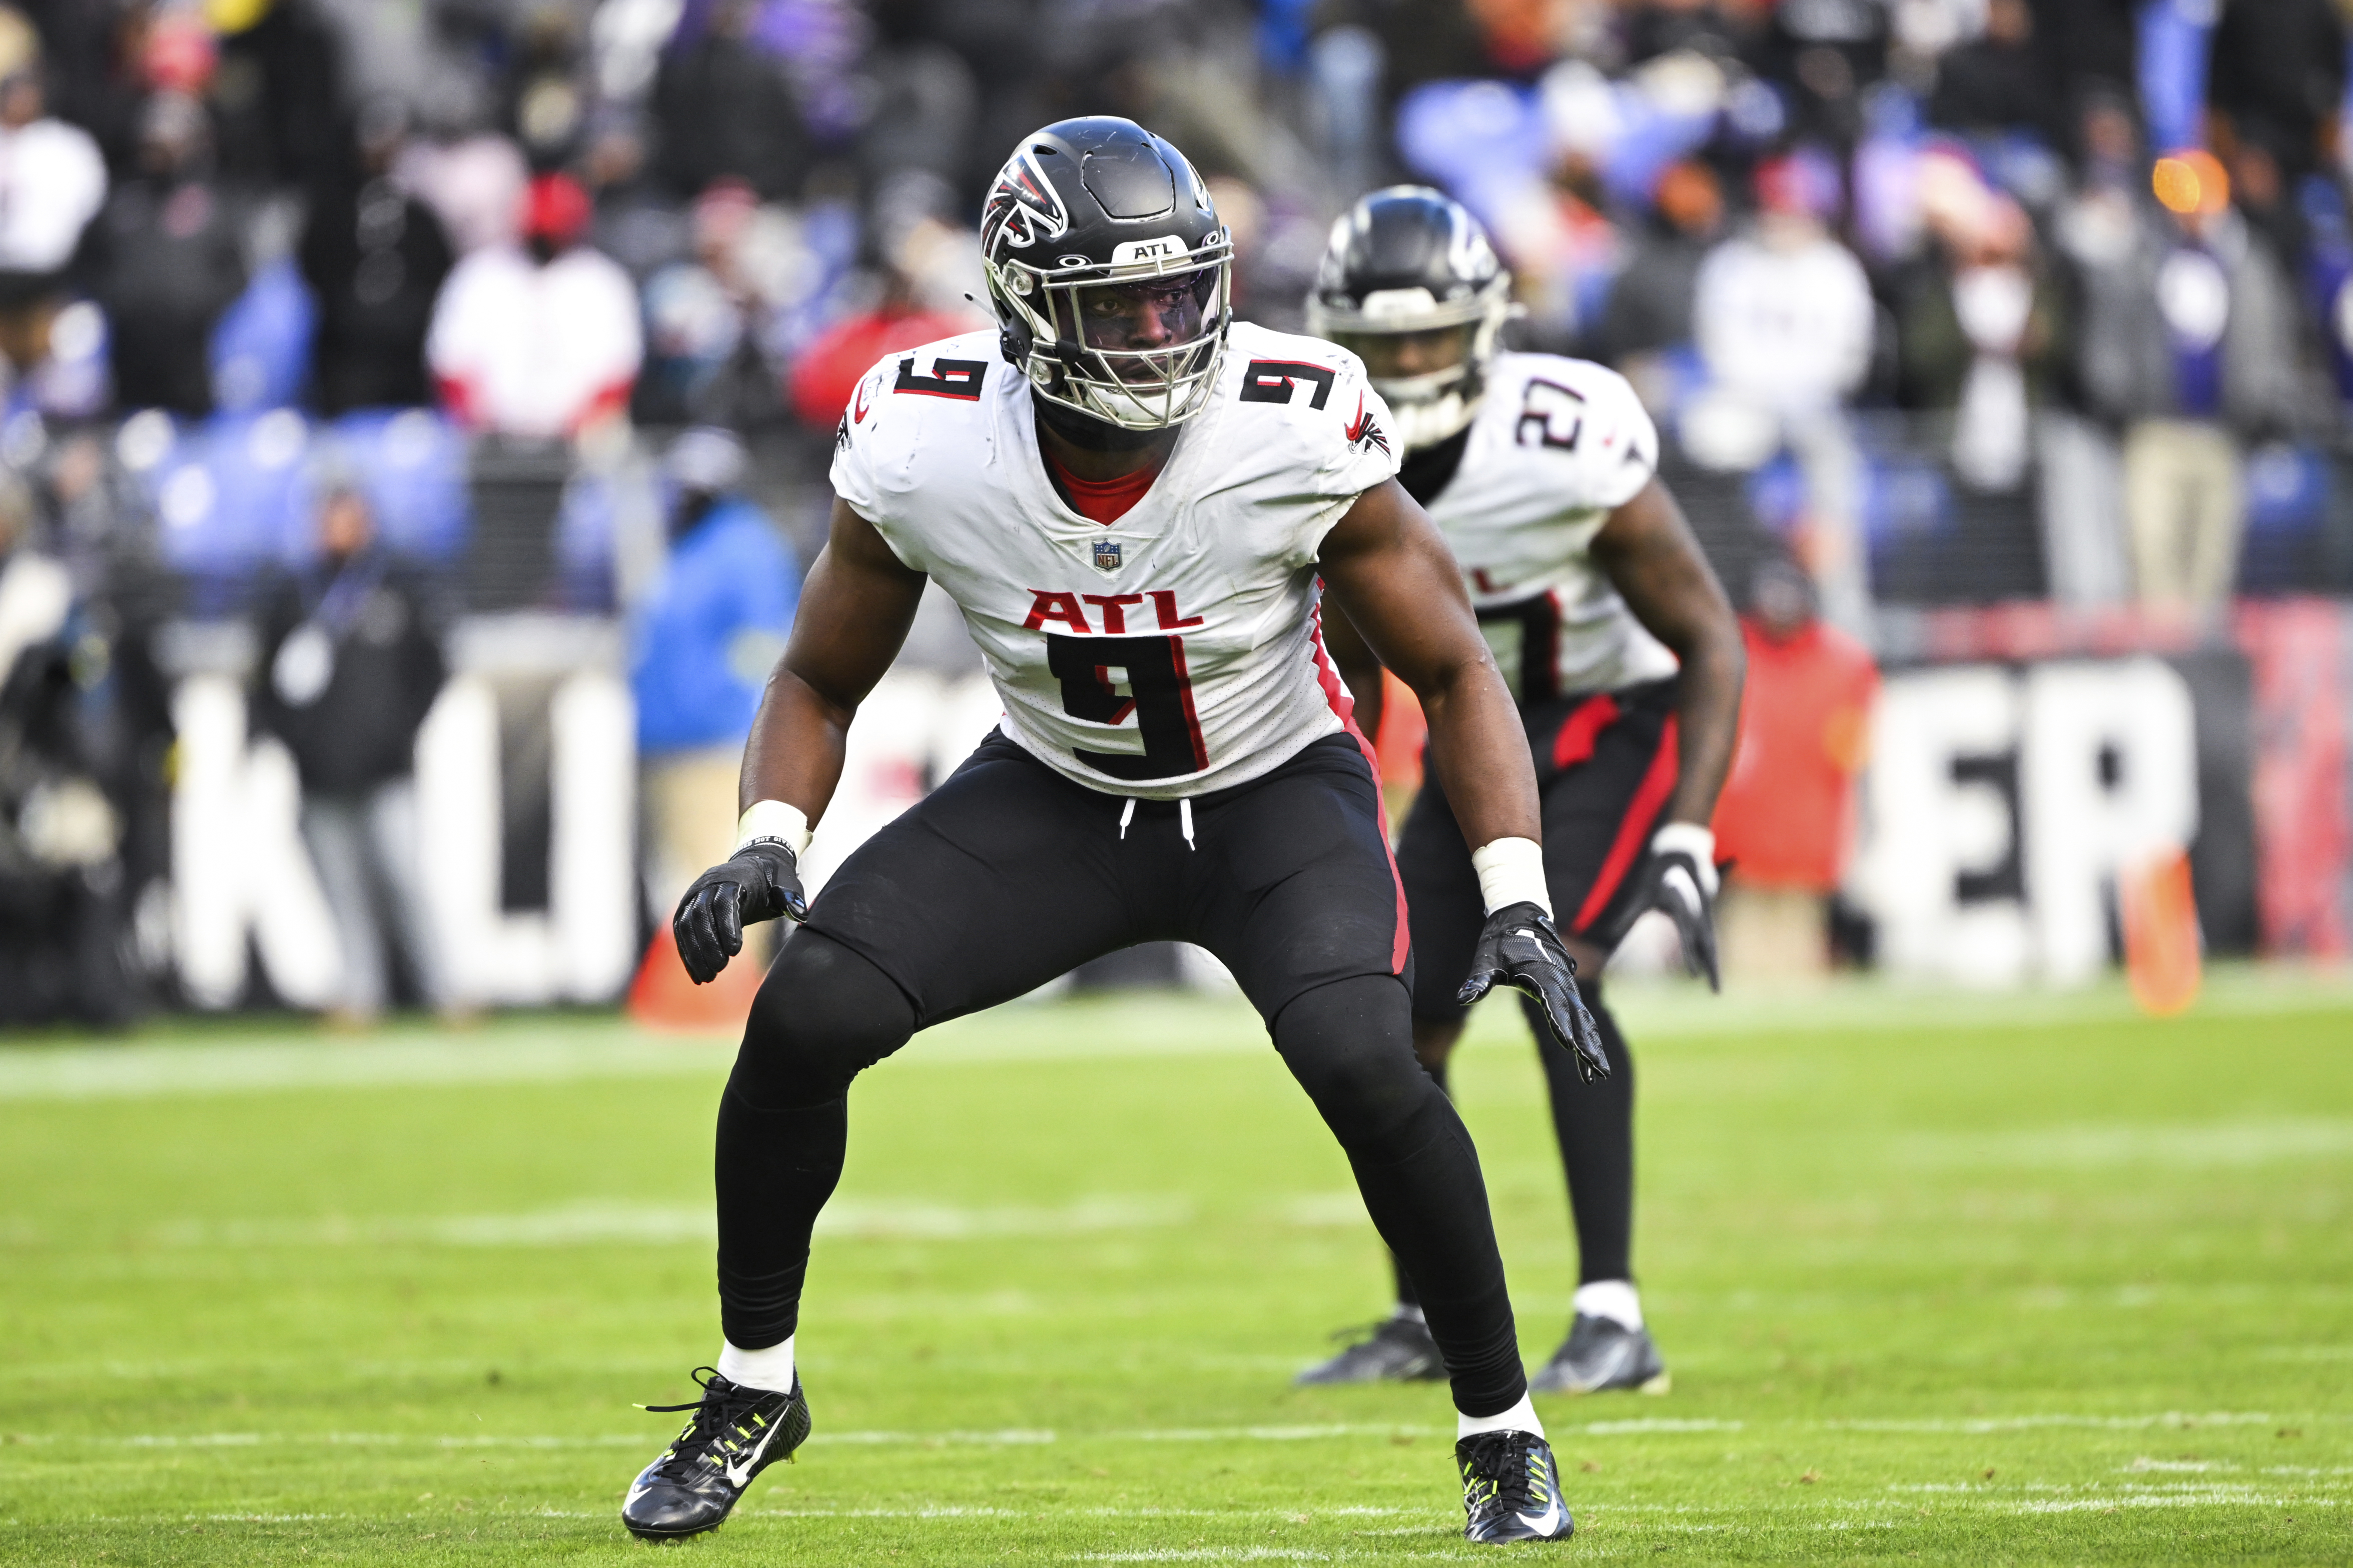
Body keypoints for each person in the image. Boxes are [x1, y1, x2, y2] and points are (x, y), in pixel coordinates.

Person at [619, 118, 1599, 1547]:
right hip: (1055, 791)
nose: (1158, 334)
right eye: (1115, 305)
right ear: (1021, 305)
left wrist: (1513, 890)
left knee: (1356, 1054)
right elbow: (820, 672)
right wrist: (772, 829)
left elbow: (1453, 664)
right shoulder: (926, 432)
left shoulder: (1286, 415)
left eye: (1177, 295)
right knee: (808, 1005)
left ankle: (1499, 1425)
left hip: (1271, 790)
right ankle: (754, 1387)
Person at [1294, 188, 1745, 1397]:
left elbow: (1706, 632)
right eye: (1380, 342)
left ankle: (1613, 1312)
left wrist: (1690, 828)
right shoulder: (1321, 449)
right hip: (1468, 745)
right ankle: (1426, 1312)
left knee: (1563, 974)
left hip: (1605, 720)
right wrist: (1339, 817)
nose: (1401, 364)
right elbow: (1349, 655)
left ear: (1485, 325)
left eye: (1426, 337)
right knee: (1399, 1023)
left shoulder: (1562, 430)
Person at [249, 473, 450, 1025]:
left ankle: (444, 990)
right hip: (320, 775)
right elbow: (267, 685)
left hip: (387, 770)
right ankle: (362, 995)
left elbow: (431, 670)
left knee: (406, 879)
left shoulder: (397, 588)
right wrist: (299, 745)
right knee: (340, 891)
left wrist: (398, 732)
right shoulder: (294, 596)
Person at [630, 427, 800, 929]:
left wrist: (727, 704)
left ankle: (742, 996)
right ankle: (699, 1000)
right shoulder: (685, 549)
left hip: (718, 742)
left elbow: (768, 642)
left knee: (723, 881)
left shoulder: (746, 545)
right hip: (668, 740)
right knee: (678, 881)